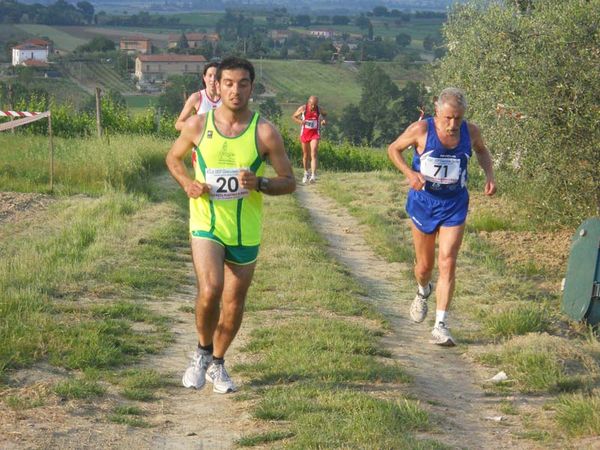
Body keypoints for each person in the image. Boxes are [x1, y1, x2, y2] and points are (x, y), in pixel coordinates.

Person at [166, 56, 296, 393]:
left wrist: (261, 184)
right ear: (216, 86)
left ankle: (218, 363)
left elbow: (289, 181)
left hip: (245, 229)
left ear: (252, 87)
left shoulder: (265, 132)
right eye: (228, 83)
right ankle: (201, 352)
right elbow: (173, 158)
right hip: (206, 222)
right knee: (210, 289)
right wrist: (187, 184)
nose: (235, 90)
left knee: (234, 301)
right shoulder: (198, 125)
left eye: (242, 83)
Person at [387, 88, 496, 346]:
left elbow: (481, 151)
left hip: (454, 204)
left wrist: (490, 175)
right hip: (424, 203)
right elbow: (393, 149)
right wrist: (410, 174)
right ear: (437, 112)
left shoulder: (471, 131)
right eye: (448, 118)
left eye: (458, 118)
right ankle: (422, 290)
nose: (453, 124)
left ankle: (441, 325)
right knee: (424, 267)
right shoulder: (421, 130)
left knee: (448, 261)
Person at [175, 61, 222, 131]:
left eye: (216, 76)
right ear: (204, 77)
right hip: (203, 140)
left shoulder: (228, 98)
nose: (213, 79)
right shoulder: (196, 97)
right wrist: (197, 126)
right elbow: (178, 124)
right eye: (210, 75)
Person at [292, 96, 327, 184]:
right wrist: (301, 122)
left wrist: (323, 121)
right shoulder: (303, 108)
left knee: (314, 152)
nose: (313, 107)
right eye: (311, 105)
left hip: (315, 134)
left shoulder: (319, 109)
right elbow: (293, 117)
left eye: (315, 105)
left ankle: (313, 176)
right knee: (305, 155)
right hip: (305, 134)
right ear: (308, 103)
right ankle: (306, 173)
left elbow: (325, 114)